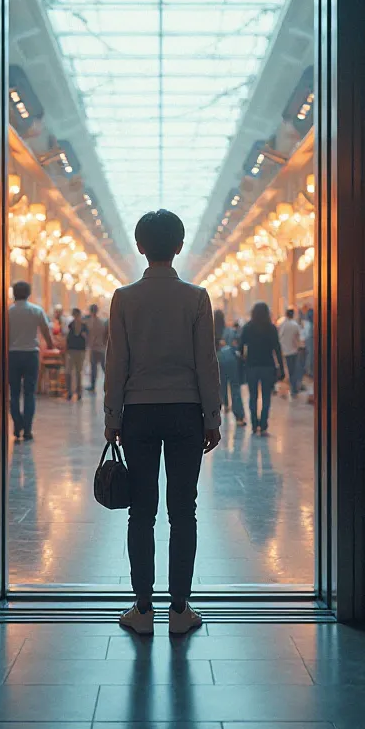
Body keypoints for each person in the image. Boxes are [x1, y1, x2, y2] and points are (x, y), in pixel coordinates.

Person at [104, 209, 221, 636]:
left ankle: (142, 610)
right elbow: (206, 364)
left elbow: (116, 362)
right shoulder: (196, 297)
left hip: (138, 412)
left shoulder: (124, 297)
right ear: (179, 245)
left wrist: (111, 416)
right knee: (183, 511)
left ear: (139, 246)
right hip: (186, 412)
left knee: (142, 511)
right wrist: (212, 416)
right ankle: (179, 611)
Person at [8, 280, 53, 441]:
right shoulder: (36, 310)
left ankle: (17, 424)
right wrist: (50, 344)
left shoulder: (8, 312)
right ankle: (27, 429)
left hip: (12, 354)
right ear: (28, 294)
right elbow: (46, 330)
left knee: (13, 393)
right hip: (31, 355)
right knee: (29, 393)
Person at [239, 301, 284, 435]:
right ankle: (263, 425)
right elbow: (277, 348)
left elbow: (241, 347)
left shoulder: (248, 327)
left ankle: (254, 424)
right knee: (266, 397)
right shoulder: (271, 328)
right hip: (268, 366)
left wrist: (243, 360)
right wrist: (281, 366)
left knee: (252, 396)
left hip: (252, 366)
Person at [217, 338, 246, 426]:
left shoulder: (220, 352)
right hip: (232, 364)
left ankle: (225, 405)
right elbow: (241, 360)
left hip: (220, 362)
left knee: (223, 385)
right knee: (235, 388)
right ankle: (239, 417)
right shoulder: (233, 350)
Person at [278, 307, 302, 398]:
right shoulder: (295, 325)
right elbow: (298, 337)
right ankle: (294, 390)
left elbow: (280, 336)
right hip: (294, 350)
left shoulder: (282, 324)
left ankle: (291, 389)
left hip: (285, 350)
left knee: (289, 370)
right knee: (294, 370)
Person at [65, 307, 88, 400]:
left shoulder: (84, 326)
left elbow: (87, 338)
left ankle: (78, 392)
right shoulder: (71, 325)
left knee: (78, 372)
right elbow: (68, 337)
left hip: (80, 350)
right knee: (69, 371)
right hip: (71, 350)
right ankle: (69, 391)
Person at [86, 303, 108, 392]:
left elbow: (87, 336)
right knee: (105, 368)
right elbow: (106, 334)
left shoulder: (89, 322)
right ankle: (111, 385)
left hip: (94, 348)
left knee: (94, 368)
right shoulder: (102, 322)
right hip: (102, 348)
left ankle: (92, 386)